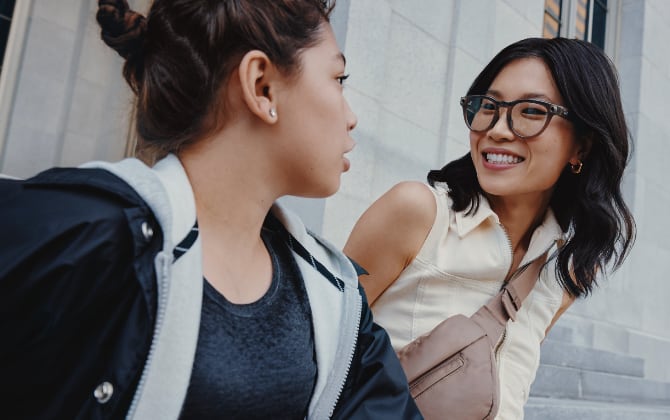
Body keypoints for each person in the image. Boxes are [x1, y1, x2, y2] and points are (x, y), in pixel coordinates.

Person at [0, 0, 422, 419]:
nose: (352, 118)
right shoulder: (77, 238)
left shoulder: (337, 300)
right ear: (262, 86)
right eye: (339, 78)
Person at [344, 37, 635, 419]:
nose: (497, 129)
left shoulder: (565, 271)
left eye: (531, 111)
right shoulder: (417, 213)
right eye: (489, 106)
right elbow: (318, 347)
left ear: (581, 147)